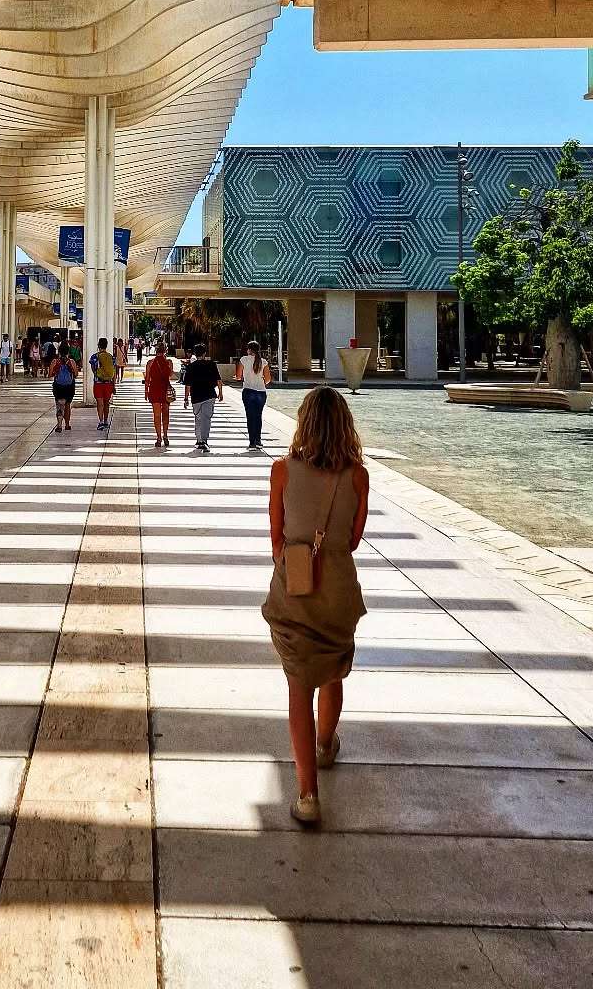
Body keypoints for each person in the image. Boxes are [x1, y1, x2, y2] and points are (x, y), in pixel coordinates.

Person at [262, 387, 369, 827]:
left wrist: (295, 565)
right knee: (333, 669)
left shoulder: (282, 471)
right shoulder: (358, 475)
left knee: (297, 686)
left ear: (304, 422)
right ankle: (327, 745)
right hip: (340, 591)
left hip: (297, 590)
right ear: (345, 425)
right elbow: (353, 538)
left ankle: (307, 795)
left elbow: (276, 536)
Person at [182, 343, 222, 453]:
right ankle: (204, 440)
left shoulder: (190, 367)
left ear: (195, 353)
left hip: (196, 396)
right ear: (205, 353)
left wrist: (186, 398)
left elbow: (188, 385)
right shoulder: (212, 365)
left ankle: (199, 439)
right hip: (209, 395)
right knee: (207, 419)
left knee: (198, 418)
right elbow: (218, 380)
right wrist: (220, 392)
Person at [236, 340, 273, 450]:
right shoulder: (263, 362)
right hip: (261, 392)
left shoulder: (244, 360)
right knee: (258, 416)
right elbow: (268, 379)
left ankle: (252, 442)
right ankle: (258, 440)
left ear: (249, 349)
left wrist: (242, 378)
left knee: (250, 417)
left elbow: (238, 376)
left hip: (248, 391)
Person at [143, 341, 175, 447]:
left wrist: (146, 392)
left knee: (157, 415)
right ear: (165, 350)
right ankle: (165, 436)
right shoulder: (169, 362)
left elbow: (147, 379)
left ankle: (158, 438)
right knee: (166, 414)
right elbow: (170, 375)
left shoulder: (150, 363)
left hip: (154, 390)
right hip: (166, 390)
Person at [88, 336, 118, 432]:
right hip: (109, 383)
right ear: (106, 346)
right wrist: (114, 384)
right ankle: (106, 420)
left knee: (99, 402)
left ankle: (100, 422)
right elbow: (114, 372)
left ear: (98, 345)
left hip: (98, 383)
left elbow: (93, 369)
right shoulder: (111, 357)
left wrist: (98, 374)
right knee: (106, 403)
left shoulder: (94, 357)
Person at [50, 342, 77, 431]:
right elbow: (76, 374)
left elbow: (50, 374)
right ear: (68, 351)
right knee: (68, 405)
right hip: (69, 386)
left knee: (59, 405)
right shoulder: (71, 362)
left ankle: (59, 425)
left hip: (58, 386)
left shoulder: (55, 361)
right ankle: (67, 424)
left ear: (59, 351)